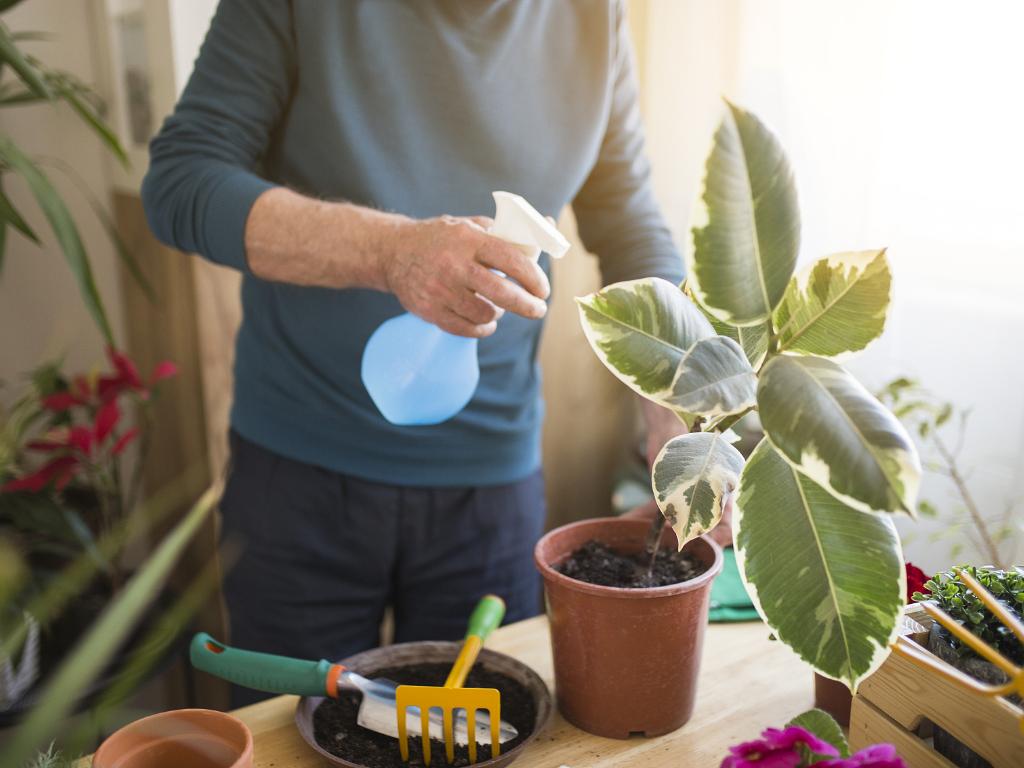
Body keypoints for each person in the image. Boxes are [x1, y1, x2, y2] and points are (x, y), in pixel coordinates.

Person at [142, 0, 691, 705]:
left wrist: (679, 410)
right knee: (290, 739)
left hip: (491, 496)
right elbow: (181, 180)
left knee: (473, 737)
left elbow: (629, 219)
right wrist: (390, 252)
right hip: (298, 485)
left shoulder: (596, 16)